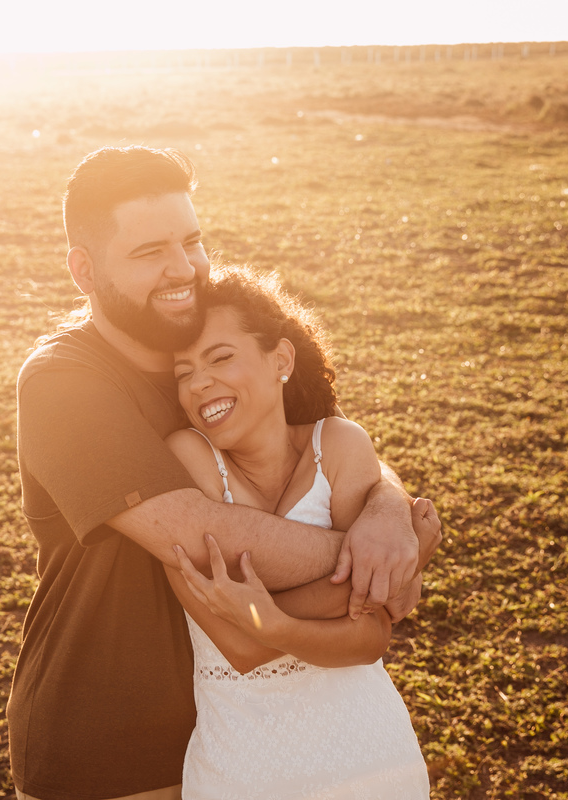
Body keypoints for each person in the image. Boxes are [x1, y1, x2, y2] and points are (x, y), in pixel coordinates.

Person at [10, 145, 441, 800]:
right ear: (84, 270)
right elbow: (206, 535)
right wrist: (375, 558)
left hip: (245, 740)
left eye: (192, 240)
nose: (183, 268)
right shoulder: (62, 384)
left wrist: (385, 509)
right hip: (113, 746)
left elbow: (330, 453)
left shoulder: (223, 342)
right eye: (150, 251)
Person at [165, 266, 433, 798]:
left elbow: (373, 635)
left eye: (220, 358)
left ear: (281, 360)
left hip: (372, 759)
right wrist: (370, 576)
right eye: (183, 371)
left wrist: (270, 621)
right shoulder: (187, 458)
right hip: (242, 770)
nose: (198, 383)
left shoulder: (339, 446)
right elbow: (239, 648)